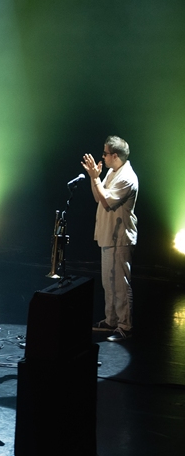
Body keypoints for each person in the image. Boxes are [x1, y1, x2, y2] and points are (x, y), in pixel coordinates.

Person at [81, 135, 138, 342]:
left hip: (120, 238)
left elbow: (107, 202)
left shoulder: (127, 177)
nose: (103, 157)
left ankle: (125, 326)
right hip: (108, 235)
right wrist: (93, 177)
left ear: (115, 155)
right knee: (109, 282)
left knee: (121, 284)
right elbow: (98, 196)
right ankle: (111, 320)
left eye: (105, 153)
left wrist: (95, 178)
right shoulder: (113, 172)